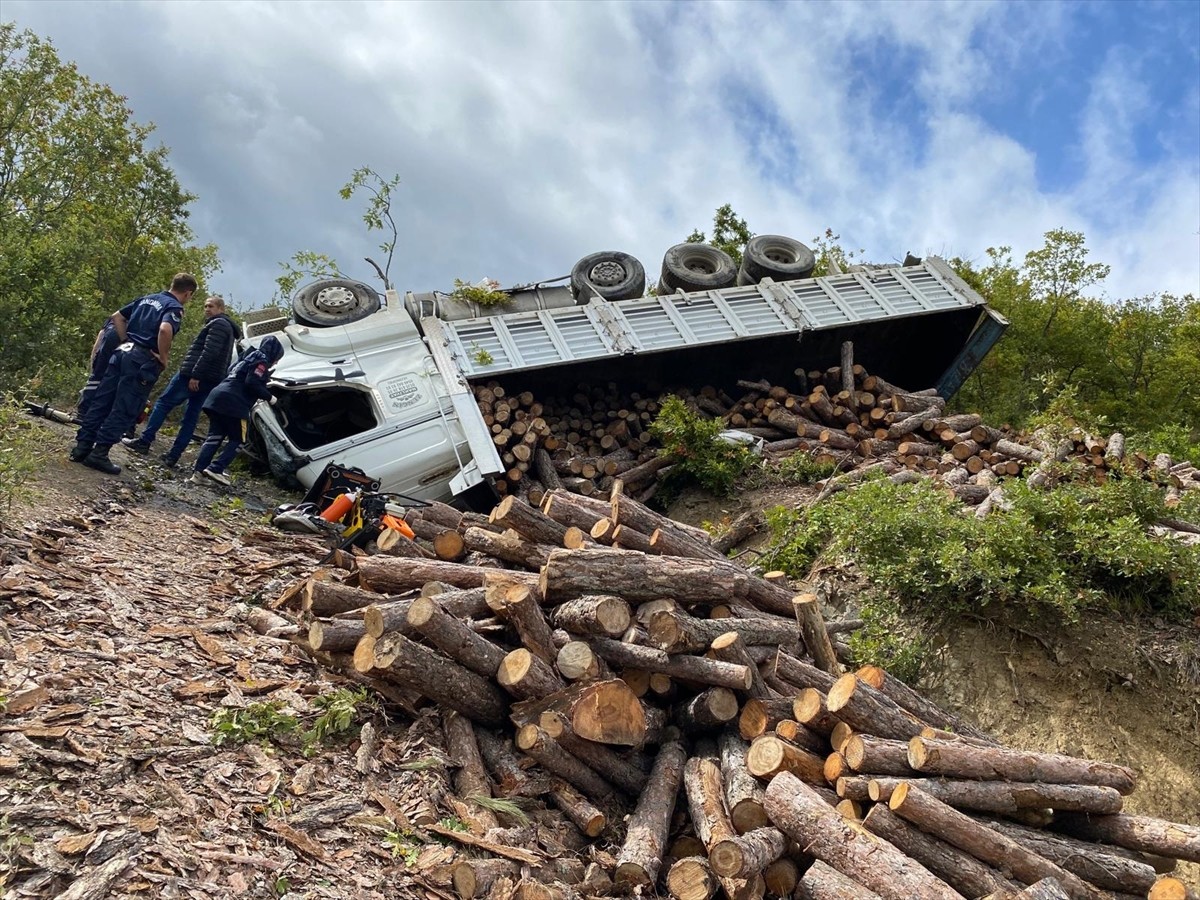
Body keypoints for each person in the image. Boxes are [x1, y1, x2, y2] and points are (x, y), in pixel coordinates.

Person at [69, 273, 198, 474]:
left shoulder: (147, 298)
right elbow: (165, 330)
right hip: (140, 361)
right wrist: (163, 357)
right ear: (188, 294)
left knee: (102, 401)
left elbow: (117, 316)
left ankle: (81, 448)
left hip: (121, 353)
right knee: (125, 406)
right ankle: (99, 454)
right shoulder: (174, 307)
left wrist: (124, 340)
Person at [121, 295, 236, 467]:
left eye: (210, 306)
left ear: (221, 308)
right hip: (210, 379)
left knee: (163, 404)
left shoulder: (219, 324)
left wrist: (196, 374)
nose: (206, 309)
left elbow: (210, 352)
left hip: (193, 375)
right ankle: (173, 456)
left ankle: (145, 441)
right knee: (191, 416)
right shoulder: (227, 328)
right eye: (205, 306)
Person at [189, 334, 285, 486]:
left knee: (214, 437)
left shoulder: (246, 357)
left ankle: (198, 473)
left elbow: (231, 372)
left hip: (216, 397)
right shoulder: (262, 360)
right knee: (239, 439)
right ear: (274, 353)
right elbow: (252, 382)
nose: (275, 362)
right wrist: (270, 397)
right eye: (277, 358)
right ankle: (216, 468)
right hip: (234, 403)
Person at [77, 319, 122, 421]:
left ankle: (83, 411)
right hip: (125, 344)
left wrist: (94, 358)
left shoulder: (118, 316)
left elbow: (102, 334)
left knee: (96, 376)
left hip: (109, 338)